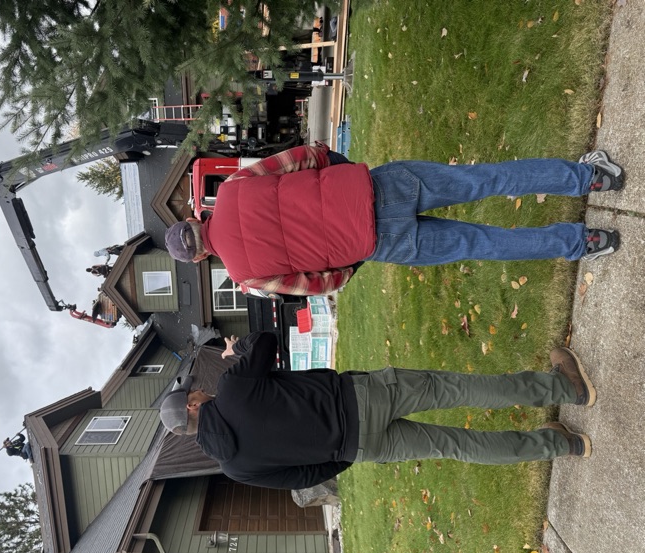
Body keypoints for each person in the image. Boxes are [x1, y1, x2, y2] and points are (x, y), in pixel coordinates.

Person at [164, 144, 623, 295]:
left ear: (200, 255)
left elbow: (321, 284)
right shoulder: (234, 187)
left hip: (378, 241)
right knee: (484, 180)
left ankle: (585, 242)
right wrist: (339, 171)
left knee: (481, 244)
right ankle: (590, 177)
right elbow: (304, 157)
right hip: (375, 186)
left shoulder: (248, 278)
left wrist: (351, 258)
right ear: (194, 218)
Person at [159, 332, 594, 490]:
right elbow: (269, 341)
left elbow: (306, 477)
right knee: (459, 389)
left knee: (456, 446)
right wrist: (238, 352)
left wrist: (346, 454)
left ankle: (560, 444)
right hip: (363, 397)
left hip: (360, 448)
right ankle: (563, 387)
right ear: (194, 403)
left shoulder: (235, 470)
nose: (198, 390)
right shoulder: (233, 386)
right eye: (194, 391)